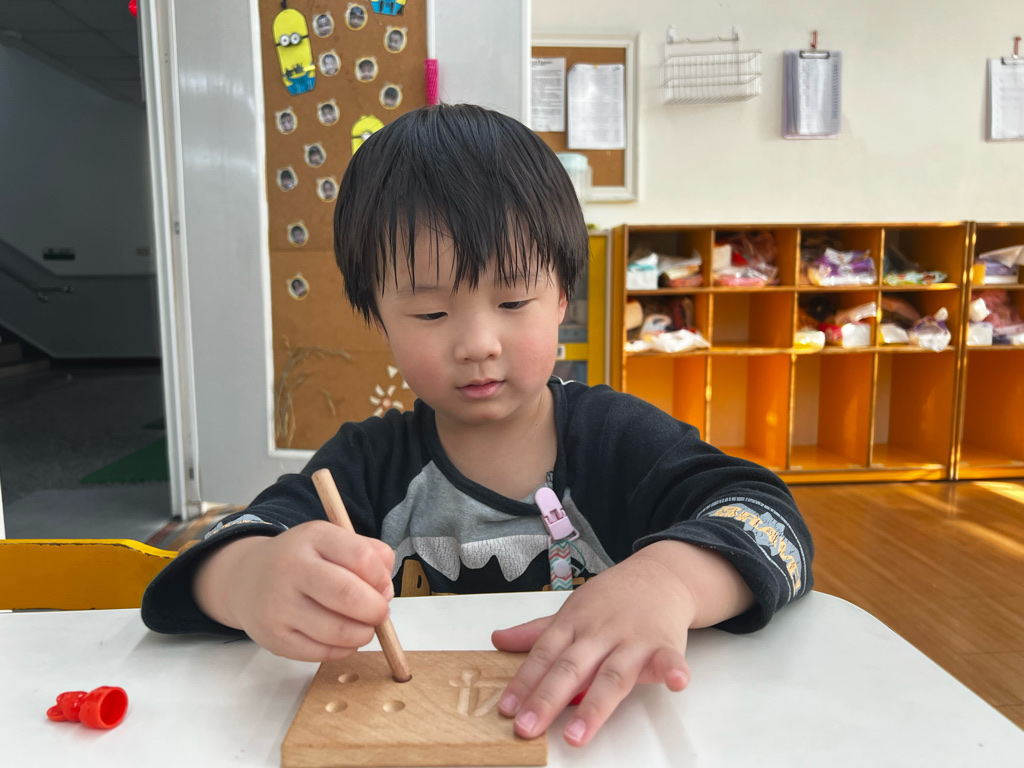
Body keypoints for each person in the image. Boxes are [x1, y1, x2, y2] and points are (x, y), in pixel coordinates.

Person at [142, 104, 813, 748]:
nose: (477, 344)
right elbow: (223, 551)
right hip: (410, 738)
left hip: (602, 741)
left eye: (514, 300)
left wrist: (670, 581)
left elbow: (770, 521)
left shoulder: (616, 438)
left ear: (562, 297)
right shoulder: (366, 466)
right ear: (379, 318)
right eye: (430, 314)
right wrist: (249, 579)